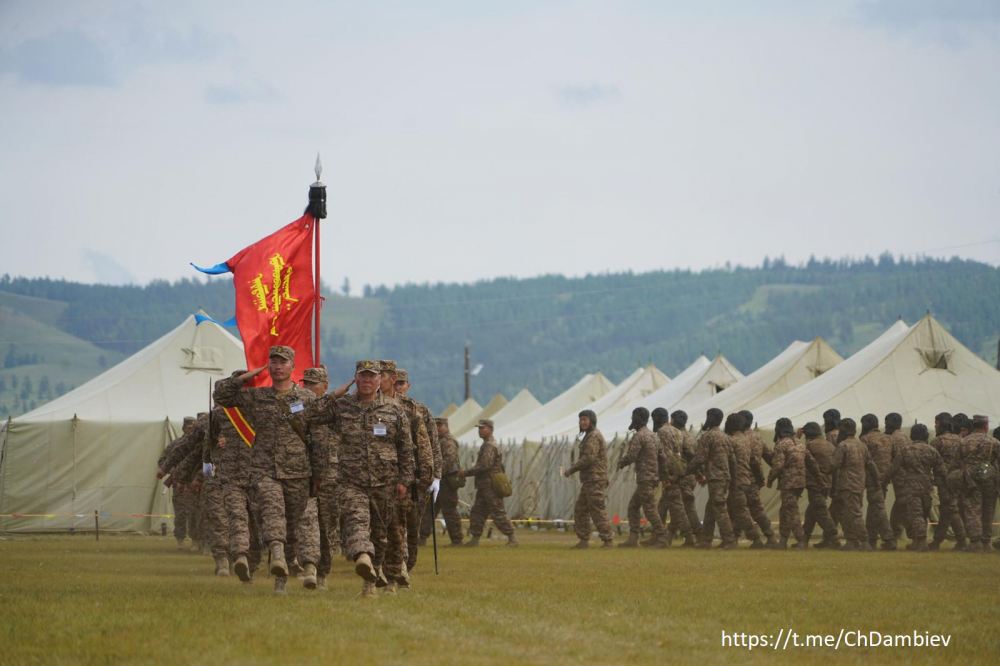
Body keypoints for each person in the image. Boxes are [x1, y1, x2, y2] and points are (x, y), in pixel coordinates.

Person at [213, 346, 329, 596]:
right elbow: (221, 397)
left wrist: (318, 474)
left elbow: (318, 437)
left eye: (283, 362)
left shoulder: (307, 399)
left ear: (292, 367)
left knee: (293, 526)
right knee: (272, 509)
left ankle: (282, 578)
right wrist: (244, 378)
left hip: (298, 472)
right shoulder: (257, 396)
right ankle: (275, 550)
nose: (277, 366)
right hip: (263, 469)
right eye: (273, 362)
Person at [307, 360, 414, 598]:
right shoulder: (342, 406)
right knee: (356, 521)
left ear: (380, 380)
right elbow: (309, 415)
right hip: (350, 481)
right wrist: (335, 394)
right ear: (355, 378)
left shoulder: (393, 409)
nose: (367, 380)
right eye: (362, 376)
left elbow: (405, 448)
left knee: (381, 534)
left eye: (372, 376)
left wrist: (404, 480)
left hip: (384, 482)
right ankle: (363, 557)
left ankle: (373, 578)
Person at [393, 369, 442, 581]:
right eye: (396, 383)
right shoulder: (381, 407)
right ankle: (398, 562)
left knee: (414, 522)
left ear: (408, 385)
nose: (399, 387)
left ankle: (408, 560)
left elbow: (432, 444)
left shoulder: (418, 410)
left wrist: (435, 476)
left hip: (417, 478)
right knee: (395, 522)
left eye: (402, 383)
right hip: (392, 476)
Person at [302, 366, 339, 591]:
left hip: (329, 477)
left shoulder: (335, 411)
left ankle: (323, 571)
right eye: (305, 383)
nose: (307, 387)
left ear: (325, 387)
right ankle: (309, 567)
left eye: (312, 383)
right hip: (301, 473)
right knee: (305, 523)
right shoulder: (297, 409)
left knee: (326, 527)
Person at [882, 424, 946, 552]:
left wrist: (882, 479)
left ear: (912, 435)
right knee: (923, 514)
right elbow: (942, 471)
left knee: (915, 515)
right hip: (927, 488)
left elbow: (893, 469)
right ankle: (917, 541)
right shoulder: (932, 451)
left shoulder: (906, 450)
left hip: (911, 488)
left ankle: (921, 542)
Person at [460, 419, 518, 547]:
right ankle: (475, 539)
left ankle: (512, 538)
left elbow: (484, 465)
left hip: (490, 485)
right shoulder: (487, 445)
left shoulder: (489, 446)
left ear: (490, 429)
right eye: (479, 428)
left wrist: (466, 472)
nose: (479, 431)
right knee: (477, 512)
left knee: (498, 512)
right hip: (484, 486)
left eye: (482, 428)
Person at [687, 408, 737, 549]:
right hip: (725, 478)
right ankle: (706, 539)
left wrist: (687, 471)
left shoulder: (708, 436)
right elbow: (732, 460)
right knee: (710, 508)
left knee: (719, 508)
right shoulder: (726, 437)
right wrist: (733, 478)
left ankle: (729, 540)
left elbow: (700, 458)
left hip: (716, 478)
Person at [564, 409, 614, 549]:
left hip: (594, 480)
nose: (582, 422)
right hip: (590, 480)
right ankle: (584, 540)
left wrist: (572, 469)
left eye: (585, 419)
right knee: (581, 509)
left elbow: (589, 458)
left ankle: (607, 540)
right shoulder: (589, 436)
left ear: (592, 420)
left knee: (597, 509)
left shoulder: (593, 436)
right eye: (581, 420)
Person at [829, 418, 880, 551]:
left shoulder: (843, 446)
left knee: (854, 514)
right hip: (858, 484)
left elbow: (833, 465)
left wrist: (822, 467)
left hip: (847, 484)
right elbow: (871, 465)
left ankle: (864, 542)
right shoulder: (861, 445)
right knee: (845, 513)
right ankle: (851, 541)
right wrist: (877, 482)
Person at [766, 418, 816, 550]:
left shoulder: (781, 444)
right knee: (784, 511)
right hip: (800, 482)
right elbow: (811, 462)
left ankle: (801, 541)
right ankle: (782, 541)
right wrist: (820, 479)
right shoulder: (800, 443)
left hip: (788, 483)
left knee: (791, 512)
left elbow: (778, 465)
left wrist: (770, 479)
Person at [652, 408, 694, 547]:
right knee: (662, 507)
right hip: (679, 471)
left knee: (677, 508)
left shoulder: (662, 432)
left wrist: (665, 477)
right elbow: (687, 452)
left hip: (670, 473)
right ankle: (658, 537)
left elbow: (663, 455)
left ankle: (688, 538)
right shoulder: (677, 431)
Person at [420, 417, 465, 547]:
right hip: (437, 481)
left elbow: (449, 461)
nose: (438, 428)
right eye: (436, 425)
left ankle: (457, 540)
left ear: (446, 426)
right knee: (428, 510)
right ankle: (421, 537)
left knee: (449, 511)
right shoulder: (436, 440)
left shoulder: (449, 442)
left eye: (441, 425)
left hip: (446, 481)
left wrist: (435, 474)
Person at [959, 415, 999, 553]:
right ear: (986, 426)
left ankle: (975, 542)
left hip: (970, 481)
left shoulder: (963, 442)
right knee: (988, 511)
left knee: (973, 510)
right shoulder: (994, 442)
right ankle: (986, 543)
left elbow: (956, 463)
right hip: (990, 480)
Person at [928, 412, 968, 551]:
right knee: (946, 511)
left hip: (944, 481)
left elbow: (929, 462)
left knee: (951, 510)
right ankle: (936, 541)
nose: (935, 425)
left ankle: (962, 540)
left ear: (942, 424)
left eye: (937, 422)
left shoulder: (938, 441)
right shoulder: (960, 439)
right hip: (960, 480)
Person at [726, 413, 764, 548]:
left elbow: (729, 462)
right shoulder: (746, 440)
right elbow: (754, 461)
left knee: (741, 511)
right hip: (746, 479)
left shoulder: (731, 441)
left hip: (736, 481)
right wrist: (760, 479)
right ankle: (731, 539)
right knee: (732, 510)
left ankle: (756, 538)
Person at [739, 409, 776, 547]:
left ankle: (754, 538)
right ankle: (770, 536)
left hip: (742, 479)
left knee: (739, 508)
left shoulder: (740, 438)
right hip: (754, 480)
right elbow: (770, 458)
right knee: (757, 510)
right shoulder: (758, 438)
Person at [859, 414, 896, 551]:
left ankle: (889, 539)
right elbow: (895, 458)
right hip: (885, 477)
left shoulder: (865, 439)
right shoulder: (889, 438)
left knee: (878, 507)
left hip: (872, 479)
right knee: (874, 507)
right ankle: (872, 538)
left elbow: (863, 461)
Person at [801, 422, 839, 549]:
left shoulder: (810, 446)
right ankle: (804, 538)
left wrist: (796, 436)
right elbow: (835, 468)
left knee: (821, 512)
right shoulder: (830, 446)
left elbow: (798, 453)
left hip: (815, 484)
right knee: (811, 512)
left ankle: (833, 538)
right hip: (827, 482)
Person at [671, 410, 702, 537]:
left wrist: (678, 474)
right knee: (679, 506)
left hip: (683, 477)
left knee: (686, 507)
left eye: (671, 419)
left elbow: (690, 456)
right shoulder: (691, 436)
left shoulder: (679, 436)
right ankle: (668, 534)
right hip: (690, 477)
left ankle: (697, 533)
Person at [884, 412, 910, 542]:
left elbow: (890, 459)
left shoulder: (892, 438)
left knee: (903, 505)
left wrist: (885, 476)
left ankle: (911, 533)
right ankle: (896, 531)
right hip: (909, 476)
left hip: (900, 477)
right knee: (901, 504)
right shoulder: (906, 436)